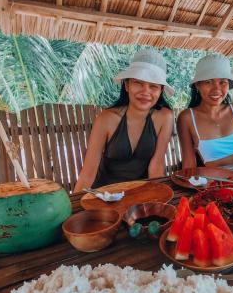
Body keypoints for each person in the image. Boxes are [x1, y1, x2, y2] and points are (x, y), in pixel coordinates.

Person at [74, 49, 174, 192]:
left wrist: (159, 201)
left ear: (161, 90)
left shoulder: (165, 117)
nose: (145, 92)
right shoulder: (106, 119)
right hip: (105, 195)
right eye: (138, 83)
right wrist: (76, 208)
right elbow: (88, 173)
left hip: (140, 194)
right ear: (126, 85)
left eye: (153, 86)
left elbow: (156, 166)